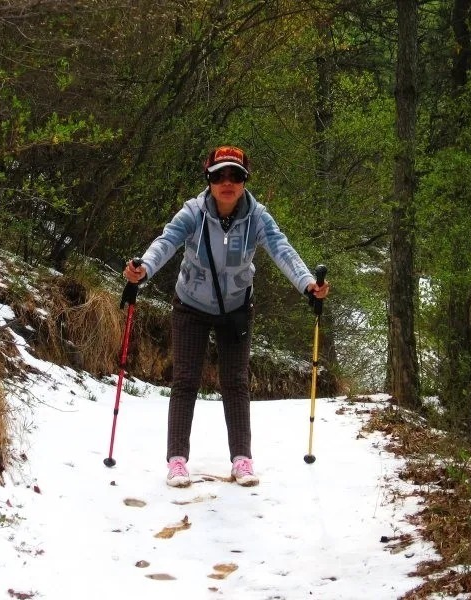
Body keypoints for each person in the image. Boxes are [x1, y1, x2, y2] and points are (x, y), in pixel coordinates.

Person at [123, 145, 330, 488]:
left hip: (236, 308)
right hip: (190, 304)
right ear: (209, 179)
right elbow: (167, 241)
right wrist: (143, 269)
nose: (227, 182)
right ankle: (177, 460)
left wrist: (308, 283)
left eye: (235, 175)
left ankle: (242, 459)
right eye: (219, 175)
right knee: (186, 380)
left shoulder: (258, 217)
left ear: (245, 181)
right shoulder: (193, 212)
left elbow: (282, 249)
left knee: (235, 382)